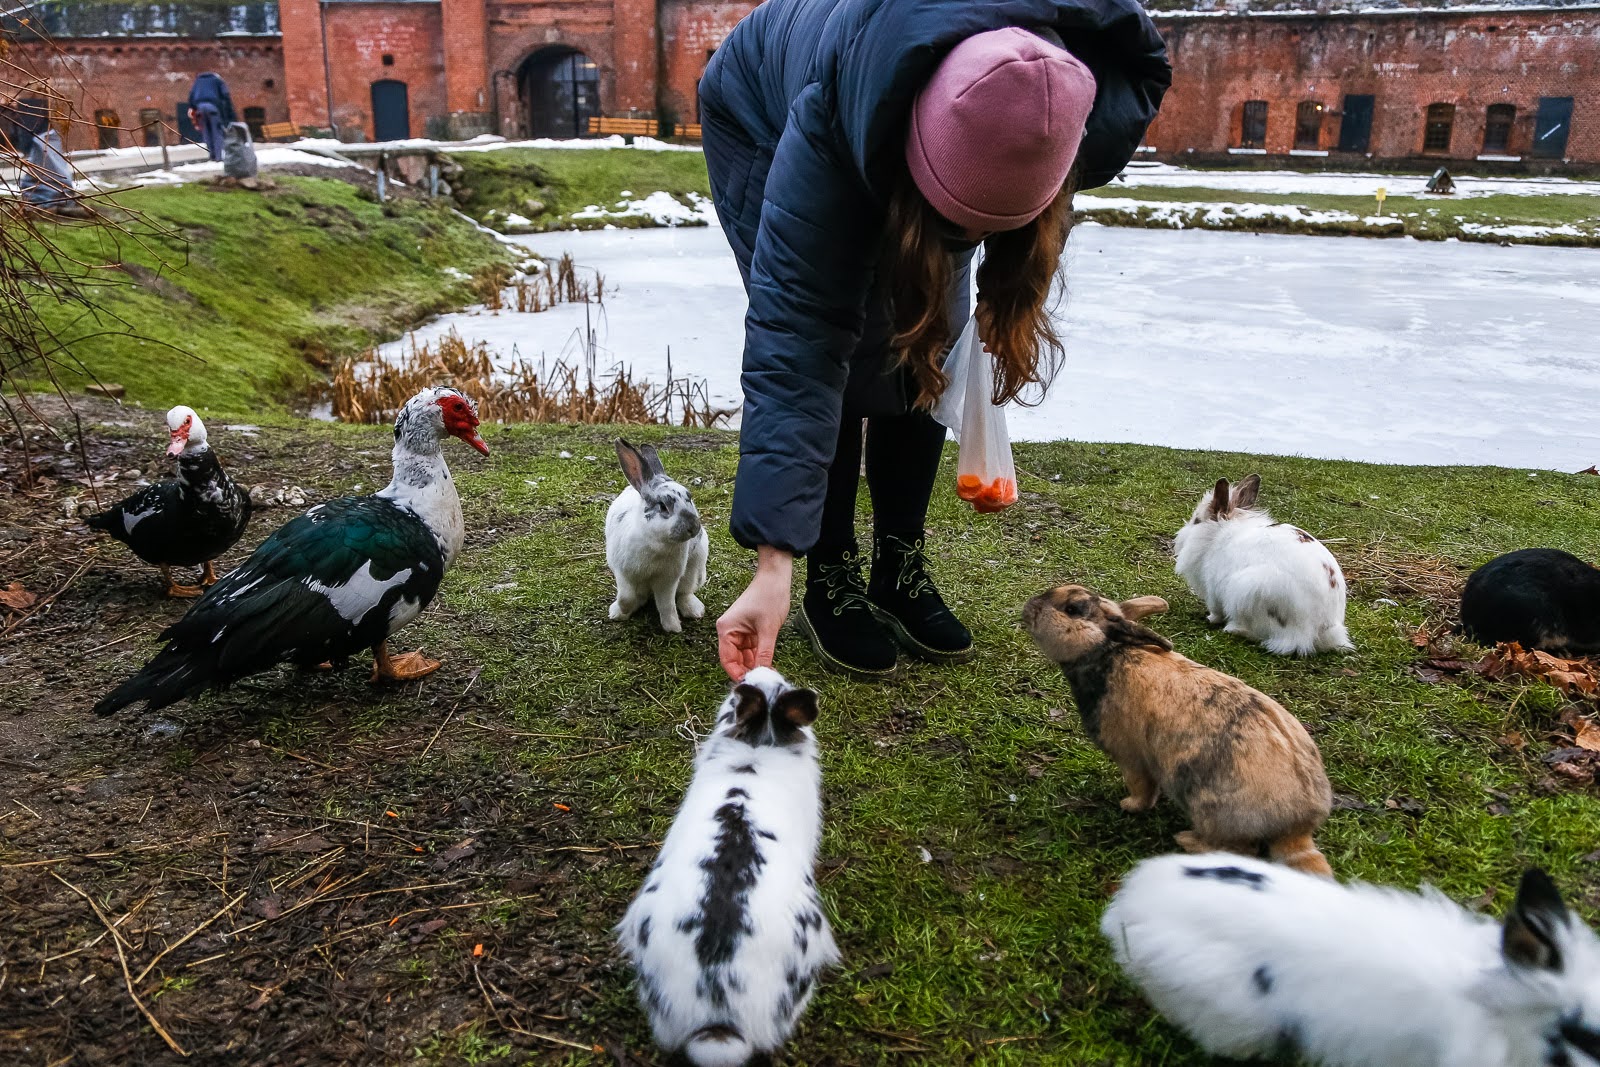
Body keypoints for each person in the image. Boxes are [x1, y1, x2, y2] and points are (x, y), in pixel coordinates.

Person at [701, 0, 1170, 681]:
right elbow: (801, 340)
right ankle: (829, 569)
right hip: (762, 115)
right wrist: (774, 560)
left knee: (928, 332)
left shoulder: (1079, 99)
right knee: (854, 340)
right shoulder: (831, 118)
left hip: (932, 114)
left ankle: (899, 561)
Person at [187, 71, 236, 162]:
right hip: (213, 108)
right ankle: (218, 157)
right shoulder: (217, 81)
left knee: (206, 132)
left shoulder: (197, 82)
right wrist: (229, 113)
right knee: (217, 132)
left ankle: (211, 155)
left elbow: (191, 97)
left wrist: (194, 108)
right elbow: (225, 96)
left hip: (200, 109)